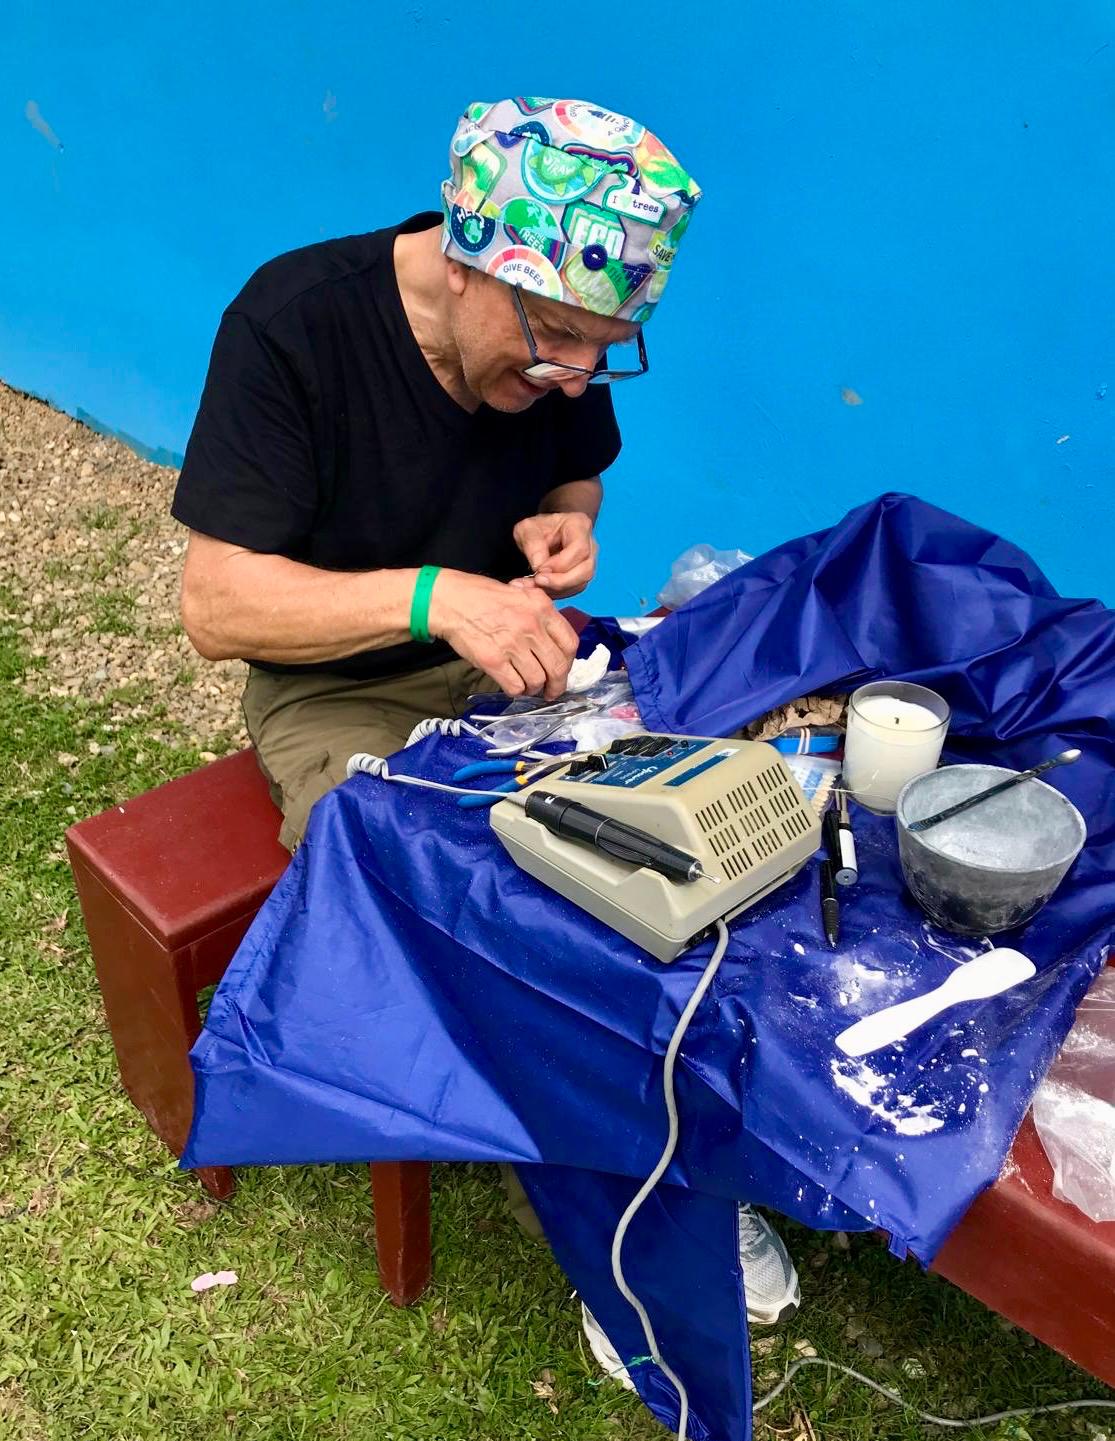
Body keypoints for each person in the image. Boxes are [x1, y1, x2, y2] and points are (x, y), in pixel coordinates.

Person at [172, 93, 798, 1341]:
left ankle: (682, 1120)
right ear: (465, 261)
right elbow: (216, 604)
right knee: (484, 895)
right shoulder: (293, 324)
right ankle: (625, 1223)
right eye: (553, 340)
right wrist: (428, 596)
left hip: (513, 642)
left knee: (662, 828)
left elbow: (577, 460)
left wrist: (568, 520)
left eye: (601, 351)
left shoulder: (557, 342)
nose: (570, 374)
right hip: (339, 683)